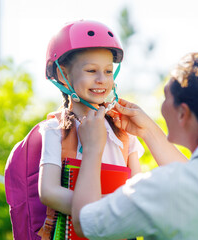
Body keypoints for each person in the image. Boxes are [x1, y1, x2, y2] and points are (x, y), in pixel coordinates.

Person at [71, 52, 198, 239]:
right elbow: (193, 177)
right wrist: (148, 131)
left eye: (166, 97)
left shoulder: (162, 188)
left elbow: (84, 222)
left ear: (183, 113)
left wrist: (92, 149)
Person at [37, 20, 147, 236]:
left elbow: (137, 185)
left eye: (108, 71)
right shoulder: (55, 130)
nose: (101, 80)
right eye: (91, 70)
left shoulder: (123, 131)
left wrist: (102, 210)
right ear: (63, 76)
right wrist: (102, 209)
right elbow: (48, 192)